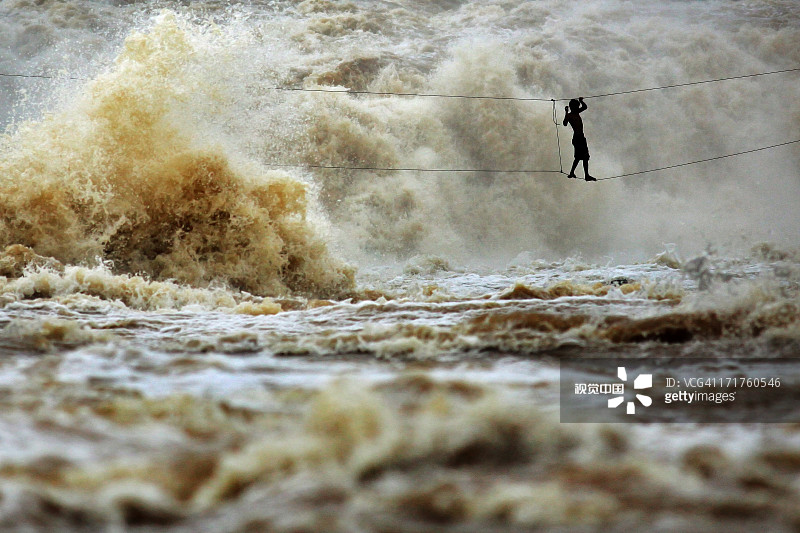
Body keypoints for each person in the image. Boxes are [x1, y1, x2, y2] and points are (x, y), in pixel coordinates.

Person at [562, 97, 595, 181]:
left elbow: (585, 107)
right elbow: (565, 123)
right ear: (573, 107)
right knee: (584, 156)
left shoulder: (576, 112)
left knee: (579, 157)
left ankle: (572, 173)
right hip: (578, 138)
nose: (577, 107)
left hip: (580, 138)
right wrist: (566, 112)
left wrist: (581, 101)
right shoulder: (570, 115)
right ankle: (586, 175)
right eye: (576, 106)